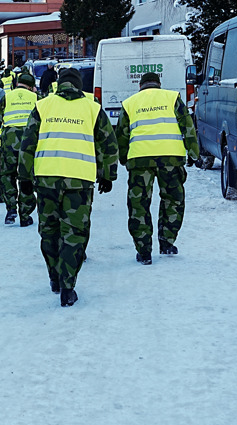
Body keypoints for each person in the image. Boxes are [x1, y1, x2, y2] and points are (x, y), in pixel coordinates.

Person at [19, 66, 119, 306]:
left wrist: (24, 178)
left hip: (46, 180)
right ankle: (67, 286)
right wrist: (108, 175)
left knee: (49, 230)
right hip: (80, 181)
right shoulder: (92, 109)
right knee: (74, 232)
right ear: (79, 86)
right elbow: (109, 145)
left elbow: (27, 143)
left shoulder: (43, 106)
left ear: (58, 84)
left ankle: (54, 276)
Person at [119, 71, 201, 265]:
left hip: (140, 161)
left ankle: (144, 251)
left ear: (141, 86)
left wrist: (123, 158)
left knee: (139, 205)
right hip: (171, 159)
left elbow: (121, 134)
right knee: (173, 200)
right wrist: (193, 152)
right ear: (159, 84)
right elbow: (187, 126)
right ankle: (167, 242)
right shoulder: (172, 98)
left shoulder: (130, 103)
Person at [0, 69, 40, 226]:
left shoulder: (6, 97)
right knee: (26, 177)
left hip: (9, 142)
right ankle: (25, 215)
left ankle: (11, 209)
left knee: (7, 174)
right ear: (31, 86)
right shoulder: (37, 98)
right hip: (30, 143)